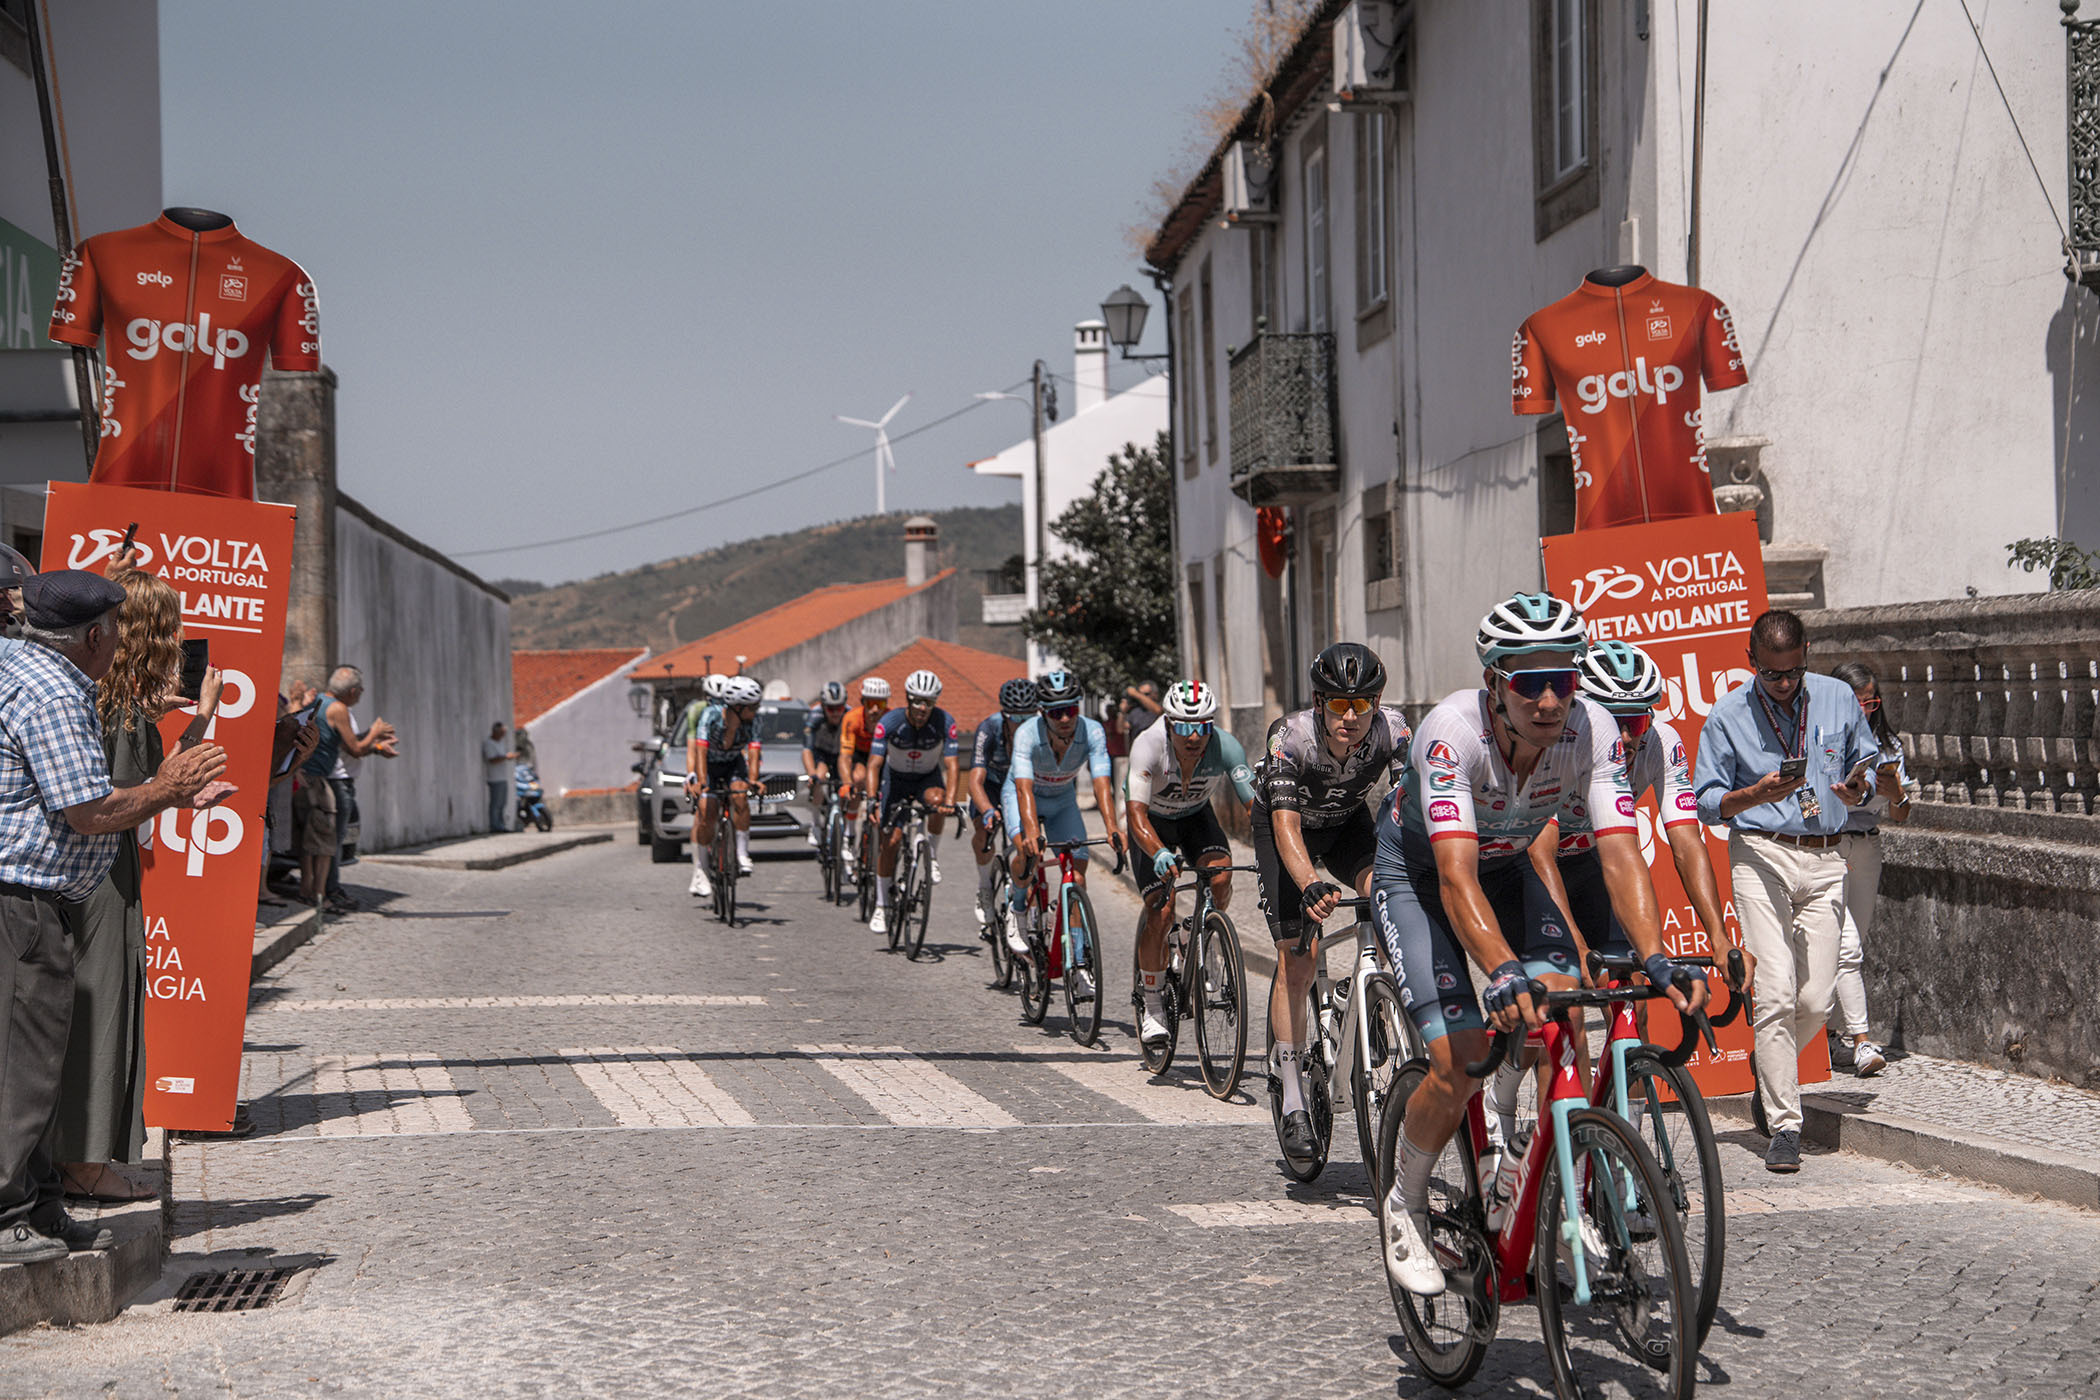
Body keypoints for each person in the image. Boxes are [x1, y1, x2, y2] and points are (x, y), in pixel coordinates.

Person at [1372, 592, 1706, 1295]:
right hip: (1423, 876)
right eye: (1530, 680)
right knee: (1458, 1058)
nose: (1550, 698)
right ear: (1495, 681)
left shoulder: (1595, 731)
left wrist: (1656, 956)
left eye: (1564, 678)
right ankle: (1403, 1201)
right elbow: (1458, 881)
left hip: (1509, 864)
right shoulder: (1450, 733)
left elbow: (1621, 853)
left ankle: (1535, 1179)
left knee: (1559, 1013)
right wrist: (1498, 970)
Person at [0, 571, 225, 1262]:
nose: (123, 642)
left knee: (39, 1065)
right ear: (95, 635)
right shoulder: (51, 693)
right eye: (117, 630)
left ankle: (40, 1206)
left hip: (37, 901)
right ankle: (8, 1215)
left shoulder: (20, 663)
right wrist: (168, 788)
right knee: (22, 1066)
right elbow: (89, 812)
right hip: (25, 903)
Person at [55, 565, 227, 1202]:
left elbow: (156, 786)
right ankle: (85, 1160)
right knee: (104, 1006)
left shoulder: (100, 699)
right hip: (102, 874)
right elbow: (139, 791)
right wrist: (200, 728)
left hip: (92, 868)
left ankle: (80, 1155)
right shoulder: (120, 708)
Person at [1692, 608, 1883, 1174]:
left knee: (1815, 1001)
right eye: (1772, 674)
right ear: (1751, 663)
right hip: (1760, 851)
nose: (1783, 684)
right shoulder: (1727, 715)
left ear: (1806, 660)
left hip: (1826, 854)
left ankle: (1767, 1069)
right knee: (1773, 993)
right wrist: (1755, 792)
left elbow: (1866, 759)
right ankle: (1784, 1124)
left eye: (1793, 672)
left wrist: (1859, 785)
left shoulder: (1835, 697)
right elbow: (1705, 801)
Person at [1529, 641, 1755, 1079]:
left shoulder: (1662, 742)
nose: (1628, 737)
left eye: (1637, 720)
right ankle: (1514, 1110)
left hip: (1593, 863)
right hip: (1537, 867)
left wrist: (1719, 938)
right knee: (1563, 1014)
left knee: (1630, 1001)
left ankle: (1623, 1130)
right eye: (1616, 722)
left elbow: (1688, 842)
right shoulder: (1556, 745)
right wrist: (1576, 946)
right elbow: (1540, 852)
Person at [1250, 643, 1410, 1162]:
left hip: (1345, 827)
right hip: (1286, 834)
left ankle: (1366, 998)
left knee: (1388, 898)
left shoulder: (1394, 731)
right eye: (1338, 705)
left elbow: (1412, 806)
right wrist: (1309, 883)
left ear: (1377, 703)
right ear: (1319, 702)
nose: (1350, 717)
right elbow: (1285, 826)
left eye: (1362, 705)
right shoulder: (1289, 736)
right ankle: (1293, 1092)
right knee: (1299, 955)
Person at [1126, 679, 1253, 1049]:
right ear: (1168, 723)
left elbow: (1254, 807)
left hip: (1196, 817)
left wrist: (1273, 845)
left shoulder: (1225, 746)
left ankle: (1198, 935)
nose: (1193, 736)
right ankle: (1152, 1006)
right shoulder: (1148, 745)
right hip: (1153, 823)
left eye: (1201, 726)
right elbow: (1135, 816)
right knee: (1161, 910)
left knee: (1221, 876)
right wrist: (1158, 852)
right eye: (1183, 726)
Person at [1003, 669, 1123, 997]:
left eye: (1072, 709)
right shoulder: (1028, 734)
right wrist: (1030, 833)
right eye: (1057, 712)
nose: (1067, 718)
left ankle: (1079, 963)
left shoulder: (1093, 731)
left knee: (1077, 876)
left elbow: (1102, 784)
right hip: (1022, 796)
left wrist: (1112, 828)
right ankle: (1016, 908)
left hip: (1062, 801)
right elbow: (1024, 789)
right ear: (1043, 713)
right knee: (1028, 852)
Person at [1826, 660, 1913, 1078]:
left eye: (1872, 702)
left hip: (1868, 849)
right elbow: (1804, 798)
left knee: (1849, 945)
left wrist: (1895, 794)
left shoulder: (1889, 749)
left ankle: (1825, 1038)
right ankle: (1860, 1042)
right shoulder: (1823, 741)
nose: (1866, 710)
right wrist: (1822, 813)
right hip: (1829, 846)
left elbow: (1902, 814)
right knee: (1845, 949)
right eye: (1858, 702)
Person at [863, 669, 961, 938]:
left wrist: (951, 802)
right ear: (907, 699)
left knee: (939, 802)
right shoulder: (890, 722)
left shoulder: (944, 721)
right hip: (894, 781)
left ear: (935, 703)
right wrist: (872, 799)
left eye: (928, 702)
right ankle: (881, 905)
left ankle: (933, 855)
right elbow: (874, 764)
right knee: (891, 842)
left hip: (926, 779)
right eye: (917, 701)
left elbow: (952, 766)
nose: (922, 708)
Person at [301, 667, 396, 911]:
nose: (361, 695)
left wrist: (375, 744)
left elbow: (344, 742)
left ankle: (314, 889)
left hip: (310, 776)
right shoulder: (339, 708)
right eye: (360, 691)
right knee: (330, 841)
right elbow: (354, 748)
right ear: (353, 691)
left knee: (316, 840)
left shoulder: (321, 700)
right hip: (326, 781)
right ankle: (327, 892)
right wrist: (374, 733)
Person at [966, 678, 1036, 935]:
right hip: (992, 788)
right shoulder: (989, 728)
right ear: (1005, 715)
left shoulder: (1039, 730)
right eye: (1016, 717)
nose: (1022, 724)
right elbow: (975, 780)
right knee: (984, 836)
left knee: (1031, 842)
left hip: (1022, 787)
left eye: (1028, 716)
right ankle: (985, 887)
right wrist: (986, 810)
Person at [685, 675, 764, 899]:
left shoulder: (754, 721)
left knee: (740, 795)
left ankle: (741, 853)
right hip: (709, 765)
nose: (757, 710)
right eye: (753, 706)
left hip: (732, 763)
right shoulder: (710, 716)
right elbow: (700, 751)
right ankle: (701, 869)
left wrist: (754, 779)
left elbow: (754, 751)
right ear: (738, 707)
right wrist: (700, 782)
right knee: (707, 811)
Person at [672, 674, 728, 895]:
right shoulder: (697, 711)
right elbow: (693, 748)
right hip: (704, 762)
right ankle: (699, 870)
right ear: (706, 697)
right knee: (702, 814)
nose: (718, 703)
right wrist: (691, 776)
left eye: (722, 699)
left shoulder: (732, 712)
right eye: (713, 699)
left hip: (726, 762)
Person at [836, 677, 889, 880]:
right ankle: (850, 833)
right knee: (858, 779)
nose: (875, 710)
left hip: (883, 758)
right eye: (870, 704)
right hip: (860, 755)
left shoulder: (891, 719)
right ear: (862, 702)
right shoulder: (852, 718)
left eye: (881, 704)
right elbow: (845, 756)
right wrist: (847, 783)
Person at [801, 681, 848, 848]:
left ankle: (844, 824)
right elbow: (807, 750)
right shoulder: (814, 717)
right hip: (821, 754)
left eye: (839, 708)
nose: (836, 713)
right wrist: (811, 774)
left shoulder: (849, 715)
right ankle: (815, 824)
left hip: (842, 755)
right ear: (823, 706)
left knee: (846, 784)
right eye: (831, 709)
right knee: (819, 777)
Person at [483, 722, 516, 833]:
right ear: (495, 732)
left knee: (502, 803)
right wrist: (506, 757)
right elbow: (492, 759)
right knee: (495, 804)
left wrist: (510, 756)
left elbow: (504, 755)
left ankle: (501, 825)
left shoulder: (500, 743)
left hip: (503, 777)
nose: (503, 735)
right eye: (501, 733)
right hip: (494, 778)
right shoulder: (489, 744)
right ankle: (494, 826)